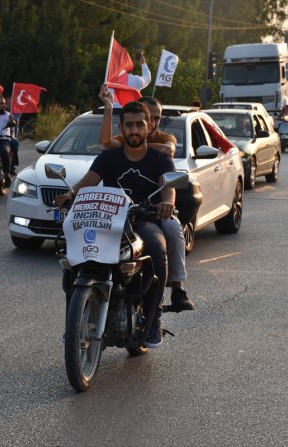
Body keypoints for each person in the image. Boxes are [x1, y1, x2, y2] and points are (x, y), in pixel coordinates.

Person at [54, 101, 175, 348]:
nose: (134, 130)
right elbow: (87, 182)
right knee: (74, 260)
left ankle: (154, 319)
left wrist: (167, 203)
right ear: (121, 127)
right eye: (128, 125)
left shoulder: (159, 159)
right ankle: (73, 322)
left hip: (142, 220)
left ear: (148, 126)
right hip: (107, 221)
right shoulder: (109, 157)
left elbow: (168, 187)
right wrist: (70, 195)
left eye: (139, 124)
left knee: (157, 248)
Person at [97, 84, 195, 313]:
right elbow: (104, 146)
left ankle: (176, 288)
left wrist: (135, 144)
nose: (153, 123)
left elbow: (168, 150)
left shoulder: (157, 138)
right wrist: (109, 107)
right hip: (119, 212)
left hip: (154, 210)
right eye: (131, 124)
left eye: (153, 120)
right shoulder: (122, 142)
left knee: (172, 228)